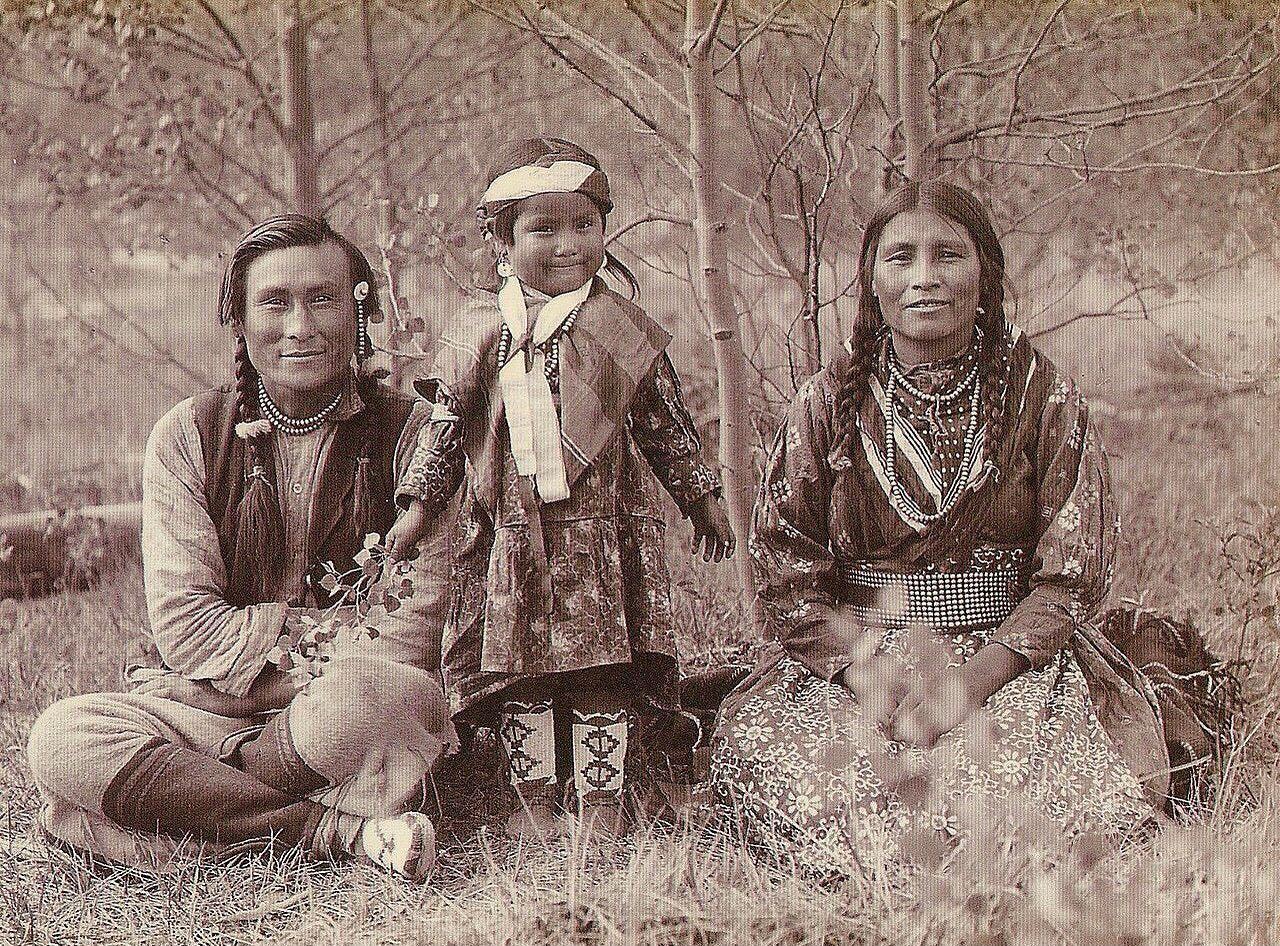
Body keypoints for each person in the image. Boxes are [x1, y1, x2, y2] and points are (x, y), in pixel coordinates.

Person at [708, 181, 1232, 878]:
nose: (925, 277)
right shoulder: (827, 401)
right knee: (809, 782)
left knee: (1016, 796)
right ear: (870, 280)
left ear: (984, 273)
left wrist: (968, 684)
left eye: (948, 255)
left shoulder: (1040, 395)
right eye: (901, 258)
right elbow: (784, 570)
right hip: (856, 665)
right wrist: (877, 678)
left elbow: (1071, 575)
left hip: (1009, 660)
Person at [26, 215, 457, 880]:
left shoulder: (417, 437)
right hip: (210, 716)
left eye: (323, 299)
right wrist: (294, 654)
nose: (300, 327)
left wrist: (236, 693)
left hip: (326, 715)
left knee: (379, 694)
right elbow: (189, 632)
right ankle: (338, 833)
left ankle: (186, 812)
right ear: (239, 317)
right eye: (274, 302)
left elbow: (410, 634)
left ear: (359, 307)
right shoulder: (187, 436)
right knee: (62, 736)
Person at [385, 137, 736, 836]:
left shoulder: (618, 329)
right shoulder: (480, 333)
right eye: (542, 228)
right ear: (500, 241)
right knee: (523, 673)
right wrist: (419, 508)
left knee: (600, 668)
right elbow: (447, 428)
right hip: (509, 539)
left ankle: (601, 797)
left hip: (600, 541)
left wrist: (701, 497)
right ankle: (533, 797)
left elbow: (664, 423)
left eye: (584, 224)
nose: (568, 244)